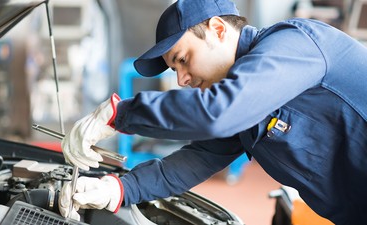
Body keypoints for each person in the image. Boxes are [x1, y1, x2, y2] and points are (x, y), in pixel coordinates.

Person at [58, 0, 367, 224]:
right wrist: (119, 188)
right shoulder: (246, 101)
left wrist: (119, 114)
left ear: (218, 29)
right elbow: (198, 159)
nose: (181, 79)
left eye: (182, 59)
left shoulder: (295, 44)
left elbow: (218, 113)